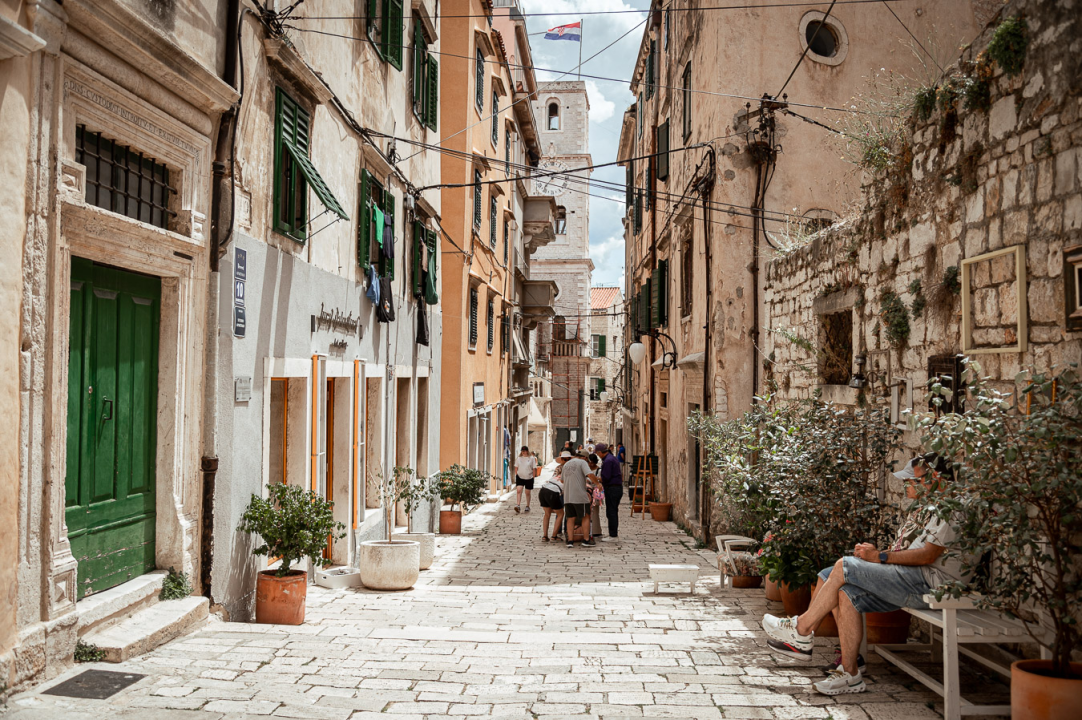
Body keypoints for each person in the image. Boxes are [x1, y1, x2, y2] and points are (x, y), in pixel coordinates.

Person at [761, 453, 967, 697]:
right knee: (847, 591)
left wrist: (879, 557)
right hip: (912, 576)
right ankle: (850, 673)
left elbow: (927, 557)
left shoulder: (950, 508)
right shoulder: (925, 509)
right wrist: (873, 555)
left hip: (930, 585)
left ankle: (802, 629)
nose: (906, 485)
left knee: (844, 566)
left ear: (937, 480)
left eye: (914, 480)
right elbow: (910, 551)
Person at [560, 449, 596, 548]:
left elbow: (562, 480)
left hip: (568, 496)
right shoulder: (582, 462)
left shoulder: (566, 464)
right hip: (580, 496)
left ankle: (570, 541)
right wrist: (598, 483)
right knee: (586, 516)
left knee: (570, 518)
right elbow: (590, 474)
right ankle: (586, 540)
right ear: (585, 458)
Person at [595, 443, 623, 542]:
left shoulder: (608, 461)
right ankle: (613, 533)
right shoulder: (612, 458)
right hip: (616, 488)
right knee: (613, 511)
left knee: (611, 511)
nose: (598, 456)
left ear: (600, 452)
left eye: (597, 454)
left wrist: (596, 479)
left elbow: (606, 477)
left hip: (612, 489)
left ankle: (613, 535)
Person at [539, 456, 565, 542]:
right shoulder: (566, 477)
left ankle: (544, 536)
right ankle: (554, 536)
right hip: (553, 492)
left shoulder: (555, 475)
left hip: (543, 489)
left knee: (547, 514)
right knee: (561, 513)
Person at [513, 446, 537, 514]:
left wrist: (533, 477)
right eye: (523, 451)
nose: (524, 452)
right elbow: (516, 467)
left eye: (525, 451)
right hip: (520, 477)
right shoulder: (519, 458)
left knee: (527, 493)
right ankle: (518, 505)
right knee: (518, 490)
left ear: (527, 451)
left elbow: (534, 468)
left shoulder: (531, 458)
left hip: (529, 477)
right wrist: (516, 474)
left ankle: (527, 505)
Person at [587, 453, 603, 539]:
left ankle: (596, 530)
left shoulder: (599, 470)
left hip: (595, 492)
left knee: (595, 511)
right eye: (590, 462)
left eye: (592, 462)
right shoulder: (586, 469)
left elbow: (601, 479)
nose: (591, 464)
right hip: (587, 490)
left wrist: (594, 478)